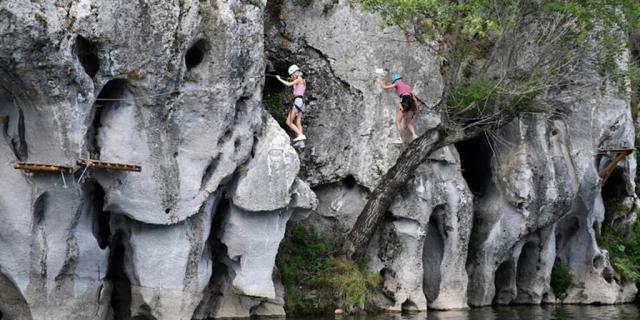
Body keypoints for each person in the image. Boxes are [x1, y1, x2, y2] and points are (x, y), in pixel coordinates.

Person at [377, 72, 420, 143]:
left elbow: (385, 87)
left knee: (397, 121)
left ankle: (399, 138)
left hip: (405, 101)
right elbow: (414, 98)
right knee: (409, 122)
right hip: (412, 103)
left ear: (394, 80)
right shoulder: (407, 86)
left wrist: (380, 81)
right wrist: (416, 108)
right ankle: (415, 135)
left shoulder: (397, 83)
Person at [277, 65, 306, 142]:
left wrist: (279, 79)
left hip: (297, 101)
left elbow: (288, 84)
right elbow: (294, 85)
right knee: (298, 122)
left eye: (292, 75)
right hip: (302, 102)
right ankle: (301, 142)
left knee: (289, 122)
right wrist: (291, 80)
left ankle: (300, 135)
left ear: (295, 73)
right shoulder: (302, 80)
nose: (292, 76)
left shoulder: (299, 79)